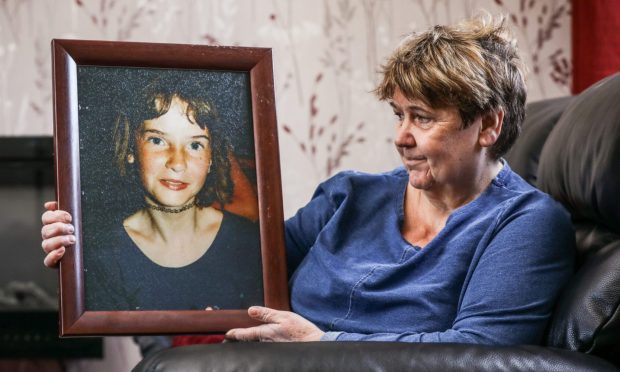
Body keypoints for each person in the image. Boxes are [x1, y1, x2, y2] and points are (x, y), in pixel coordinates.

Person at [42, 15, 575, 345]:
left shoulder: (526, 224)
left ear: (488, 126)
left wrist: (322, 344)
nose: (401, 137)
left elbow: (480, 350)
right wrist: (87, 247)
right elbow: (236, 273)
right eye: (398, 115)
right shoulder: (350, 195)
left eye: (424, 118)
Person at [43, 72, 264, 311]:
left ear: (211, 159)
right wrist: (71, 269)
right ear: (130, 150)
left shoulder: (249, 244)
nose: (177, 162)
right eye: (157, 141)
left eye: (195, 145)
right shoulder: (103, 256)